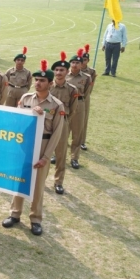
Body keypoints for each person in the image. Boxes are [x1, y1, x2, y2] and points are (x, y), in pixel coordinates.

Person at [2, 60, 64, 236]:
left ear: (50, 83)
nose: (38, 83)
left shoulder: (56, 105)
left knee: (37, 185)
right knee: (20, 180)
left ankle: (35, 219)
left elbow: (57, 134)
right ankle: (15, 214)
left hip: (43, 144)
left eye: (42, 80)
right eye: (36, 80)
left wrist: (46, 156)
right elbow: (17, 123)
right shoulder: (26, 98)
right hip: (25, 144)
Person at [48, 52, 77, 195]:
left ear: (67, 72)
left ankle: (58, 181)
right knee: (41, 151)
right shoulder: (47, 86)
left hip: (62, 121)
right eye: (56, 70)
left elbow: (73, 109)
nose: (59, 73)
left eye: (62, 70)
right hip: (46, 122)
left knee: (61, 153)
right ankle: (38, 179)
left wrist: (64, 121)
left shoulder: (72, 90)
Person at [66, 49, 91, 170]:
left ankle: (74, 158)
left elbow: (86, 93)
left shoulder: (87, 77)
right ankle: (57, 155)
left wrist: (79, 101)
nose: (75, 65)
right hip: (66, 104)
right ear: (70, 64)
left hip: (79, 104)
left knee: (77, 132)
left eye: (77, 63)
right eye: (73, 62)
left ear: (81, 64)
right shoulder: (64, 75)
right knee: (63, 131)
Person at [79, 45, 97, 151]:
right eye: (81, 59)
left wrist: (86, 96)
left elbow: (91, 86)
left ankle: (82, 141)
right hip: (72, 98)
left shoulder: (91, 72)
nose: (83, 62)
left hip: (84, 98)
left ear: (88, 60)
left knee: (83, 119)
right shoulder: (73, 70)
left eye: (85, 60)